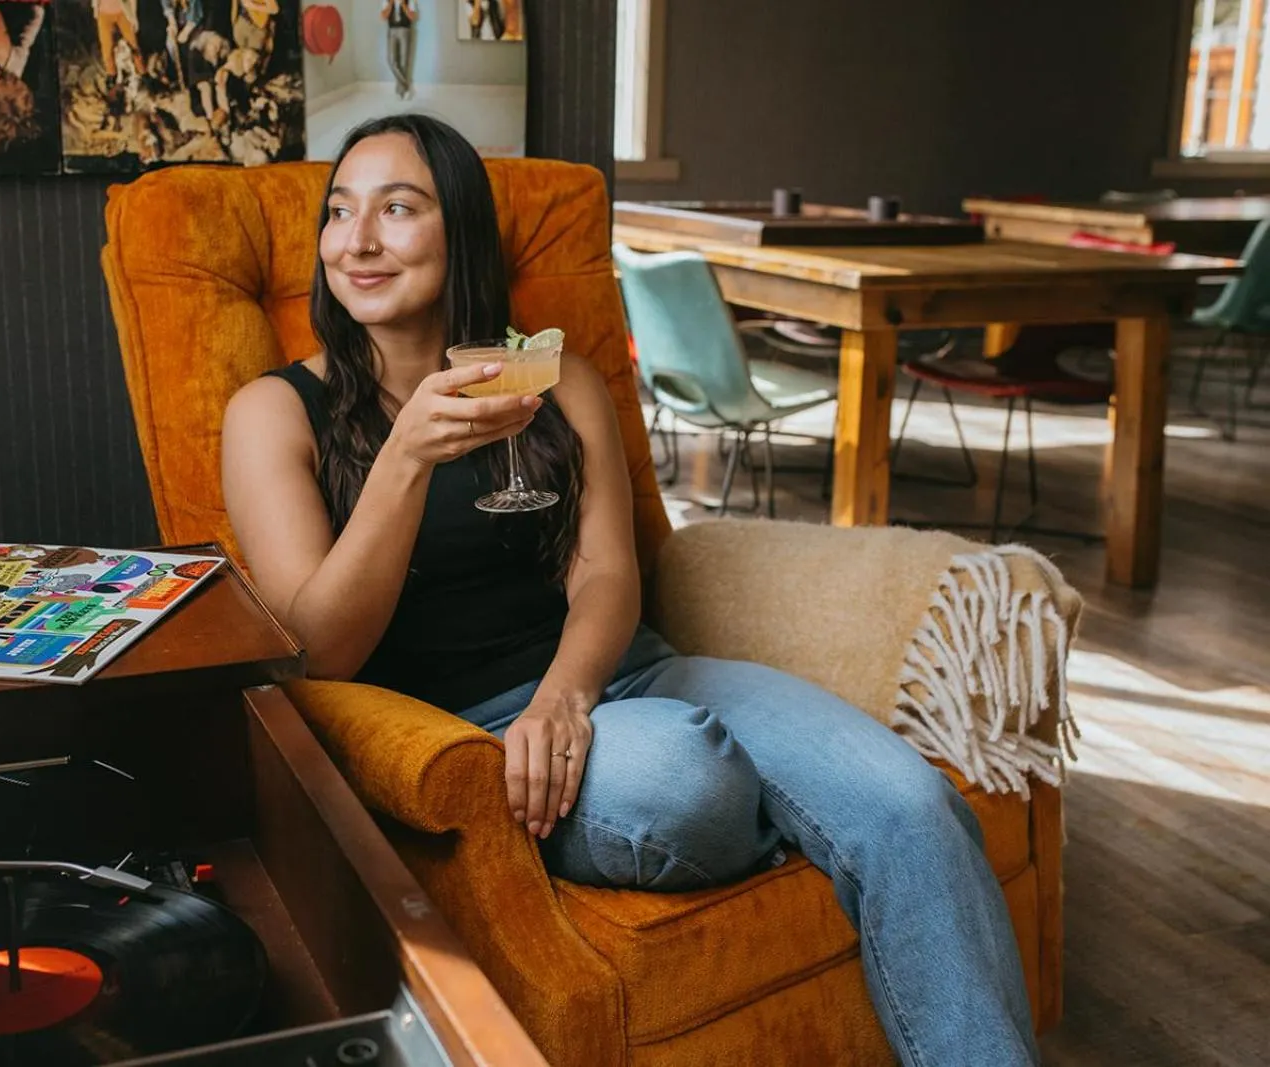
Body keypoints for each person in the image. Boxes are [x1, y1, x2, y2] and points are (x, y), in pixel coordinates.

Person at [218, 113, 1042, 1067]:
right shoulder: (276, 412)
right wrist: (405, 459)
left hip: (636, 679)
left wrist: (568, 697)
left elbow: (608, 571)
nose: (356, 242)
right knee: (687, 781)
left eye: (398, 209)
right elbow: (319, 651)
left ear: (462, 235)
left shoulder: (555, 379)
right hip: (471, 735)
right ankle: (780, 814)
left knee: (908, 802)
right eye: (340, 212)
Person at [380, 0, 415, 99]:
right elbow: (383, 16)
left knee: (404, 62)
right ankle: (407, 86)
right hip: (391, 31)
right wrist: (391, 4)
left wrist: (403, 4)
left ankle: (401, 92)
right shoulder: (386, 1)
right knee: (391, 61)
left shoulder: (410, 1)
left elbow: (412, 17)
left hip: (405, 30)